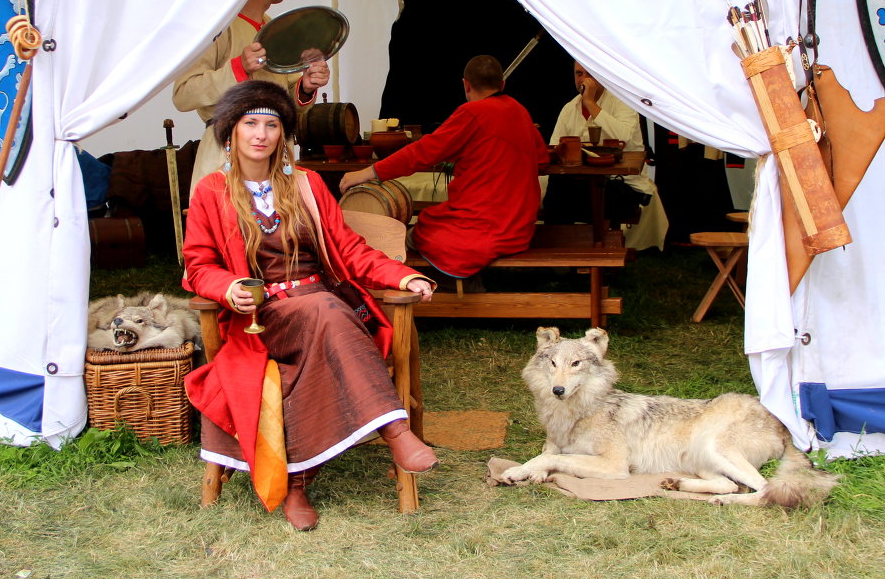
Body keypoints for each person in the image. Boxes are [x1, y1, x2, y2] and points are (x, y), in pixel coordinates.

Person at [182, 80, 437, 531]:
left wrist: (404, 274)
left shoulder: (307, 185)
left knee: (323, 319)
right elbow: (198, 265)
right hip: (264, 316)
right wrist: (227, 288)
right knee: (326, 314)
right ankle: (396, 431)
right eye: (250, 123)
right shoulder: (212, 191)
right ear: (232, 133)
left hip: (321, 303)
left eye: (271, 125)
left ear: (282, 135)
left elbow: (350, 249)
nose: (261, 134)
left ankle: (296, 484)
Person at [339, 55, 548, 281]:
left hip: (484, 229)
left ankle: (434, 286)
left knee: (419, 232)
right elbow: (542, 160)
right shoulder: (520, 112)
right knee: (435, 220)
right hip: (519, 229)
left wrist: (368, 172)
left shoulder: (472, 113)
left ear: (465, 85)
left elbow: (422, 152)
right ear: (503, 85)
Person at [173, 0, 331, 191]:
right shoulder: (217, 27)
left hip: (276, 158)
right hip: (228, 157)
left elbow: (282, 101)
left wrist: (305, 88)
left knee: (278, 228)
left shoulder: (275, 29)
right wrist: (239, 68)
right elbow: (184, 94)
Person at [542, 61, 668, 250]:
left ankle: (596, 254)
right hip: (582, 181)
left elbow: (623, 136)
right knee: (557, 188)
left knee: (597, 194)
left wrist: (591, 103)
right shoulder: (569, 109)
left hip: (623, 184)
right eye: (578, 73)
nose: (583, 79)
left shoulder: (622, 102)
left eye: (588, 74)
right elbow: (554, 146)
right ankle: (558, 255)